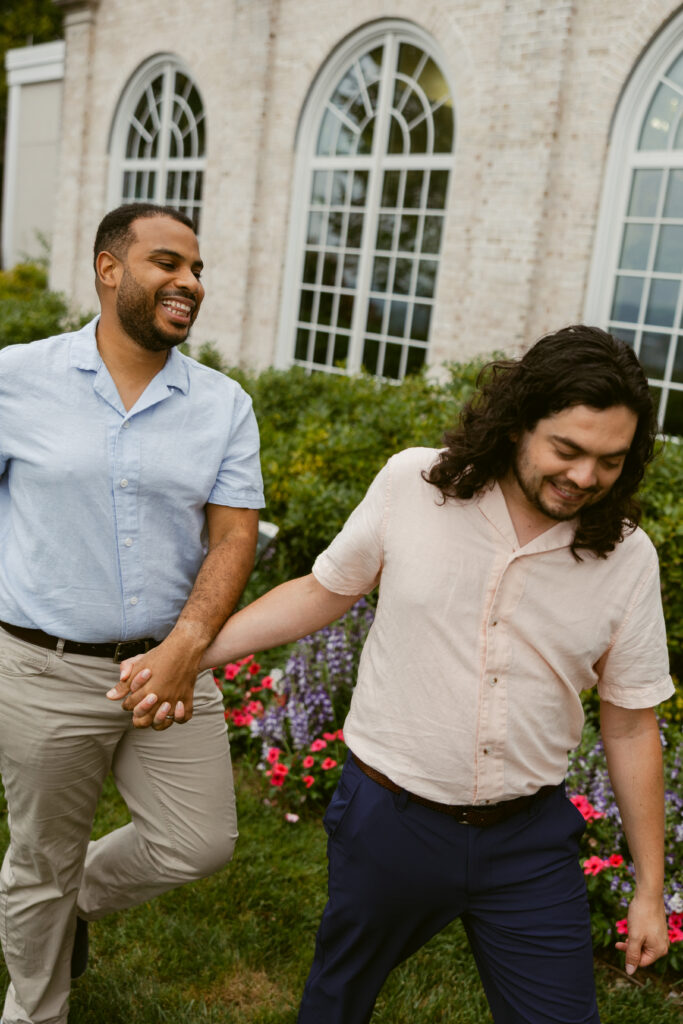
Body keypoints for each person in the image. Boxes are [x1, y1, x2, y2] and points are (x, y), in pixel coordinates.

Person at [119, 324, 673, 1024]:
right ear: (516, 425)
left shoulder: (627, 557)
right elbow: (325, 591)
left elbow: (628, 722)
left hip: (528, 841)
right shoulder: (416, 485)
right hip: (390, 820)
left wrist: (649, 887)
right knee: (336, 1004)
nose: (585, 477)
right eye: (566, 450)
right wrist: (187, 653)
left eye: (609, 461)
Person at [0, 202, 264, 1024]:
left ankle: (62, 902)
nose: (189, 282)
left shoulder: (223, 404)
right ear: (108, 269)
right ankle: (36, 1008)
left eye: (196, 269)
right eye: (167, 263)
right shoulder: (17, 377)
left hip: (169, 666)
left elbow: (232, 537)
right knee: (38, 858)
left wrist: (189, 644)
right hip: (41, 665)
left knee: (198, 843)